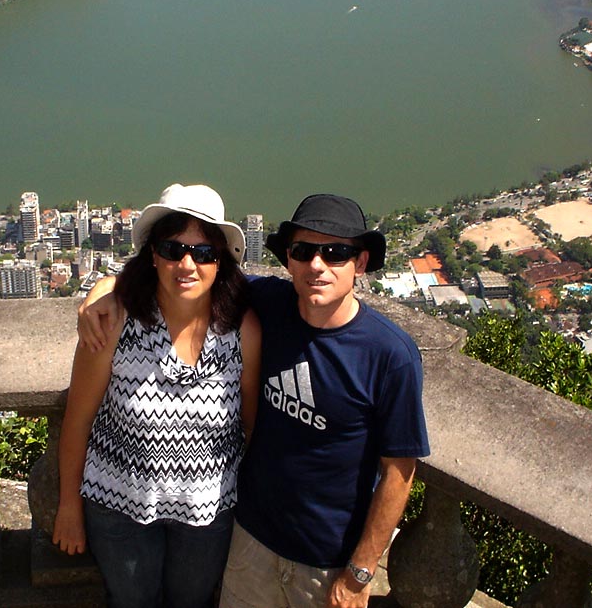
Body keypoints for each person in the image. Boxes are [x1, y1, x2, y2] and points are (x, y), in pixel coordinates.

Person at [80, 193, 428, 608]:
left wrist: (359, 573)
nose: (317, 265)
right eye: (304, 251)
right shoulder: (269, 304)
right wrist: (106, 288)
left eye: (336, 253)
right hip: (250, 539)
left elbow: (399, 473)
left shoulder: (390, 355)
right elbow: (186, 275)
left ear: (362, 262)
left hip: (326, 560)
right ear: (289, 261)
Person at [53, 183, 262, 608]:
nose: (187, 263)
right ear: (153, 255)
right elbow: (78, 421)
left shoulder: (242, 330)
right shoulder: (114, 324)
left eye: (203, 253)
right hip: (118, 504)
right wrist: (69, 507)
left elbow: (252, 426)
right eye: (173, 249)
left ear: (220, 262)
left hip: (208, 510)